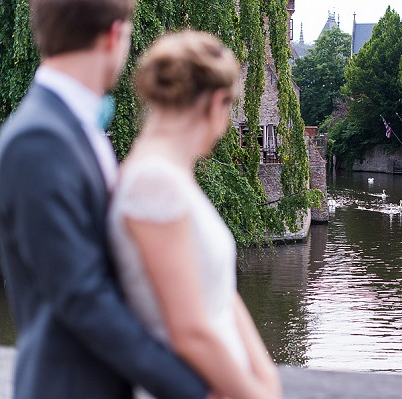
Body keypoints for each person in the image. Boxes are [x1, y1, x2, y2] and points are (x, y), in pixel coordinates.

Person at [0, 0, 210, 397]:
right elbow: (82, 298)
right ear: (114, 35)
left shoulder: (71, 125)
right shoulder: (39, 139)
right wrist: (192, 388)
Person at [108, 31, 281, 399]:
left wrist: (264, 376)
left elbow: (220, 294)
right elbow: (188, 332)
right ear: (217, 103)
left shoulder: (169, 172)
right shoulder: (153, 182)